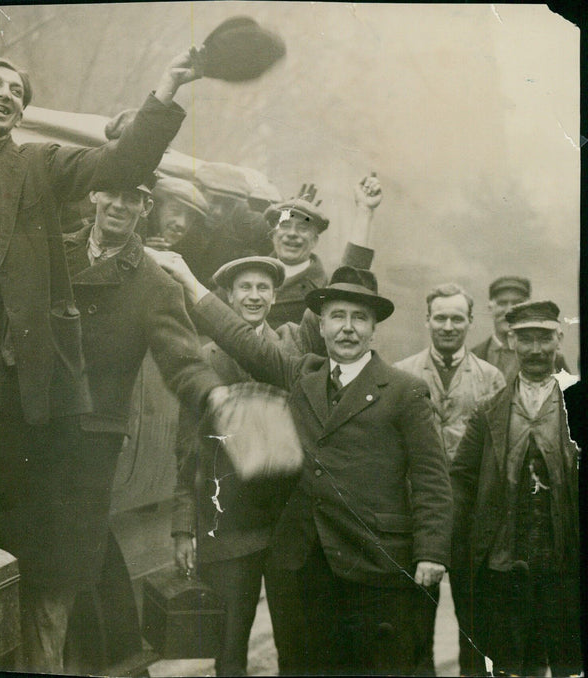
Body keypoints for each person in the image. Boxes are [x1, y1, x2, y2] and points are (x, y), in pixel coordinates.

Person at [0, 47, 208, 672]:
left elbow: (123, 160)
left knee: (26, 548)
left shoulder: (38, 165)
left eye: (17, 89)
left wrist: (165, 93)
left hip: (8, 366)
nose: (5, 94)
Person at [152, 252, 452, 675]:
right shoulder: (302, 375)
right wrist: (190, 281)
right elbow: (243, 339)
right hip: (309, 565)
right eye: (337, 317)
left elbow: (431, 479)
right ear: (321, 325)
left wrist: (431, 553)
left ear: (373, 328)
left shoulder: (406, 390)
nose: (347, 328)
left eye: (359, 318)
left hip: (375, 563)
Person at [60, 175, 227, 666]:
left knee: (80, 564)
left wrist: (218, 395)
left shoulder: (154, 281)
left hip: (94, 437)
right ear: (93, 194)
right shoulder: (54, 252)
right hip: (33, 428)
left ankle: (110, 663)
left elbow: (183, 359)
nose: (119, 204)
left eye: (132, 198)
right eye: (111, 191)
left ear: (145, 207)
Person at [171, 256, 305, 676]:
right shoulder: (204, 359)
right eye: (244, 288)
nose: (254, 296)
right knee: (229, 648)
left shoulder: (294, 349)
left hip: (288, 523)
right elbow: (187, 448)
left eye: (263, 288)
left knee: (298, 642)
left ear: (275, 296)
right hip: (228, 525)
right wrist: (181, 528)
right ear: (227, 297)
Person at [450, 301, 581, 677]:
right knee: (510, 664)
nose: (536, 350)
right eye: (526, 339)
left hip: (566, 565)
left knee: (568, 663)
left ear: (559, 337)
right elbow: (461, 479)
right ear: (511, 341)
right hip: (505, 567)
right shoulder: (490, 411)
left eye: (545, 338)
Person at [394, 283, 505, 676]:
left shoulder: (492, 378)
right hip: (418, 519)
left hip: (473, 520)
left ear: (471, 323)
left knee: (476, 628)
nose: (448, 325)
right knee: (414, 627)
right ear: (427, 321)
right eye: (440, 317)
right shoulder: (401, 374)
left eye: (457, 318)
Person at [265, 175, 383, 327]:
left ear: (315, 240)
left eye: (303, 228)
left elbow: (353, 270)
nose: (292, 234)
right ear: (273, 234)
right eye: (285, 225)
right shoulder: (251, 274)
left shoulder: (324, 286)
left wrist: (364, 210)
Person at [472, 276, 569, 382]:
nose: (508, 310)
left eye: (516, 303)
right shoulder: (473, 357)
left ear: (527, 307)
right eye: (502, 303)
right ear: (490, 308)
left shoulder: (552, 358)